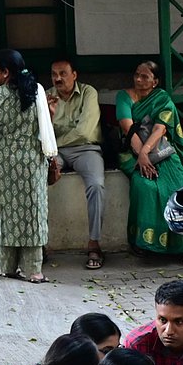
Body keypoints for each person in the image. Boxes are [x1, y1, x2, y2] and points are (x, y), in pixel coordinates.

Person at [0, 49, 58, 283]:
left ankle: (7, 267)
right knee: (33, 212)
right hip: (33, 160)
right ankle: (34, 271)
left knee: (5, 213)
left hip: (3, 160)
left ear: (5, 72)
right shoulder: (37, 91)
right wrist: (50, 157)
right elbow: (45, 128)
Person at [116, 59, 183, 262]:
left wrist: (146, 153)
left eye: (145, 76)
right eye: (137, 74)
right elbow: (128, 127)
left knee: (176, 185)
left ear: (155, 81)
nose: (138, 79)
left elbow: (160, 129)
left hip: (162, 152)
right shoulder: (123, 97)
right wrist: (141, 156)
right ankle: (144, 244)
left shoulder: (162, 98)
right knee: (145, 186)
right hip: (132, 154)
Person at [47, 56, 106, 269]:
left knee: (97, 185)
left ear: (74, 75)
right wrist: (49, 116)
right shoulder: (46, 96)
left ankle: (94, 243)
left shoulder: (88, 93)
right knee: (39, 179)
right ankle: (40, 242)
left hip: (85, 149)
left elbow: (84, 131)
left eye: (63, 73)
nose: (58, 78)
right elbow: (42, 131)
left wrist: (55, 141)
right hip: (55, 151)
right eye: (54, 74)